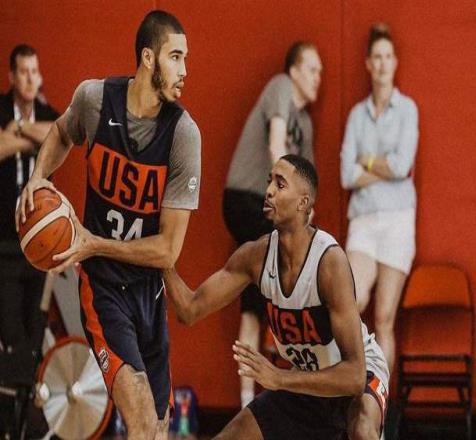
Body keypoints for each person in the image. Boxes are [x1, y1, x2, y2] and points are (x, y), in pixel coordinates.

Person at [16, 10, 201, 439]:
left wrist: (93, 242)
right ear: (148, 58)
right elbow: (62, 133)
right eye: (175, 57)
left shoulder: (183, 135)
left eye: (186, 59)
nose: (185, 71)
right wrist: (39, 175)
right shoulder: (95, 99)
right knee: (139, 416)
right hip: (102, 289)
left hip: (149, 291)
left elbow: (167, 250)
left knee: (157, 428)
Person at [165, 155, 389, 440]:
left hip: (359, 374)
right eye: (269, 181)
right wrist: (162, 258)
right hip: (306, 381)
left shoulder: (329, 262)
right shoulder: (255, 256)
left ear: (303, 203)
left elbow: (354, 376)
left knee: (362, 430)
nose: (269, 190)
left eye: (280, 184)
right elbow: (189, 310)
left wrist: (279, 377)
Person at [223, 42, 322, 407]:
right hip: (246, 199)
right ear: (294, 70)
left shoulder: (306, 123)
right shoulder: (280, 87)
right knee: (285, 272)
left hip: (271, 208)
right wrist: (293, 210)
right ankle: (280, 326)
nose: (318, 78)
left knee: (255, 300)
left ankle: (248, 402)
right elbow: (277, 150)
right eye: (312, 69)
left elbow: (306, 186)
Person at [340, 23, 419, 374]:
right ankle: (351, 389)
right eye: (377, 57)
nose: (383, 63)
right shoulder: (357, 115)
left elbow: (403, 166)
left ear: (395, 62)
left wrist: (367, 162)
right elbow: (346, 175)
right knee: (352, 300)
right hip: (363, 220)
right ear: (368, 64)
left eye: (388, 56)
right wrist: (386, 167)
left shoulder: (407, 109)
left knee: (385, 317)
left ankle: (380, 401)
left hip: (398, 219)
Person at [0, 44, 59, 354]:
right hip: (4, 242)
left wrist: (19, 130)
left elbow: (59, 136)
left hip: (40, 240)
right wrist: (34, 141)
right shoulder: (1, 109)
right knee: (10, 330)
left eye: (34, 71)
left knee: (36, 328)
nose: (29, 78)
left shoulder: (48, 113)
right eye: (23, 71)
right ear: (11, 76)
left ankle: (29, 384)